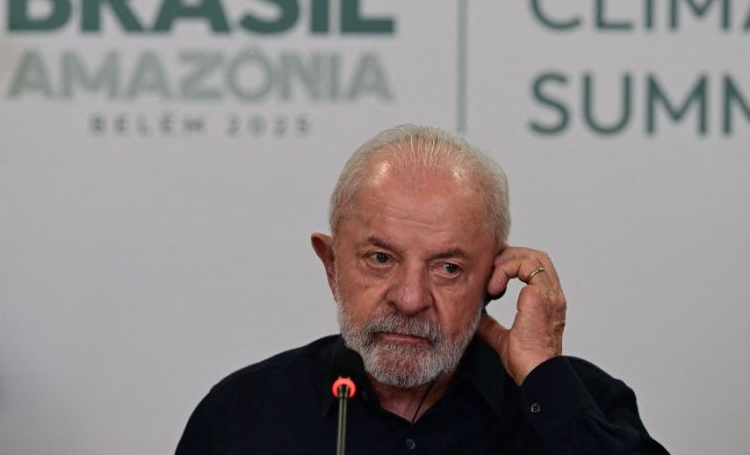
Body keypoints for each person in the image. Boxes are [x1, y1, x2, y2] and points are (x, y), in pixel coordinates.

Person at [175, 124, 669, 454]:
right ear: (331, 266)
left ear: (494, 278)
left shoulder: (580, 405)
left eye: (448, 268)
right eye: (381, 259)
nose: (410, 299)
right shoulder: (243, 415)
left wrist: (543, 374)